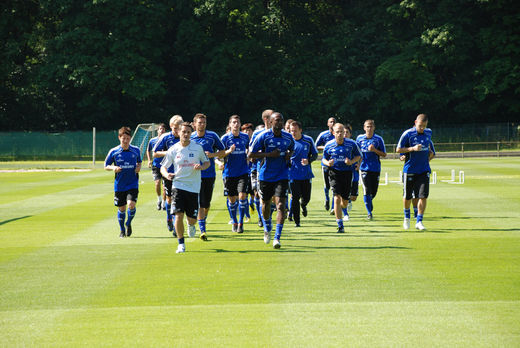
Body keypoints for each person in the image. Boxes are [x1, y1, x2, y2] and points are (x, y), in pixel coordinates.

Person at [160, 122, 210, 253]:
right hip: (178, 185)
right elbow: (163, 167)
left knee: (192, 220)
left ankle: (191, 226)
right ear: (179, 133)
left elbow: (207, 162)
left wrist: (201, 166)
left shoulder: (197, 148)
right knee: (178, 215)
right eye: (183, 132)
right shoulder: (173, 149)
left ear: (191, 133)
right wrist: (166, 175)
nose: (186, 134)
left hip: (193, 187)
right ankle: (181, 244)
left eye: (188, 132)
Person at [249, 112, 295, 249]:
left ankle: (277, 237)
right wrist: (269, 154)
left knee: (281, 205)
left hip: (282, 175)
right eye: (277, 120)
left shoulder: (288, 137)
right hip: (265, 175)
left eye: (281, 120)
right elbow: (250, 154)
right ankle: (267, 226)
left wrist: (288, 156)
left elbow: (292, 150)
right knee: (266, 204)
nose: (280, 123)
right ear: (270, 122)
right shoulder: (263, 136)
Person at [396, 113, 435, 231]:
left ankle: (419, 221)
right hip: (410, 170)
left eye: (424, 126)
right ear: (415, 123)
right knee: (407, 196)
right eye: (420, 126)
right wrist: (412, 149)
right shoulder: (408, 134)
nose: (422, 128)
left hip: (423, 171)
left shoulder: (428, 133)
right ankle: (406, 217)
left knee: (423, 196)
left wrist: (426, 160)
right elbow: (398, 149)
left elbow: (432, 152)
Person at [190, 113, 226, 240]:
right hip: (194, 174)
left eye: (204, 122)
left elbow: (223, 152)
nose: (202, 125)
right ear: (194, 124)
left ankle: (201, 220)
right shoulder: (190, 137)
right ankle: (202, 229)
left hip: (209, 174)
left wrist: (211, 155)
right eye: (199, 122)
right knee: (199, 203)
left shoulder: (212, 136)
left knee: (206, 204)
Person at [322, 123, 361, 233]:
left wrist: (351, 162)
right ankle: (340, 225)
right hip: (334, 173)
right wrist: (328, 163)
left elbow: (358, 155)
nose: (340, 134)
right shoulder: (329, 145)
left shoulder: (351, 144)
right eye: (337, 132)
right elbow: (323, 159)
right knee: (336, 197)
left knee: (344, 201)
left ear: (344, 132)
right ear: (333, 133)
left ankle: (343, 207)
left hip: (347, 173)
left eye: (341, 132)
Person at [104, 126, 142, 238]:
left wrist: (138, 167)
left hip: (132, 183)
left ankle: (128, 223)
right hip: (120, 185)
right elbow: (106, 166)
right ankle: (122, 230)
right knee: (122, 208)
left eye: (127, 138)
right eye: (123, 138)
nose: (125, 141)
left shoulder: (136, 150)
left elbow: (139, 162)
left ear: (130, 138)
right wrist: (113, 168)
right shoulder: (114, 151)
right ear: (119, 137)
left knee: (131, 204)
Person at [153, 115, 183, 236]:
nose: (177, 131)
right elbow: (155, 153)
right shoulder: (165, 138)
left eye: (179, 128)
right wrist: (169, 153)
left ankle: (177, 224)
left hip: (182, 174)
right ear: (171, 127)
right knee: (170, 198)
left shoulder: (186, 137)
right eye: (175, 128)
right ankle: (169, 218)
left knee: (179, 200)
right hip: (168, 173)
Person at [220, 115, 251, 233]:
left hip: (243, 172)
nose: (236, 124)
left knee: (242, 196)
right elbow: (219, 154)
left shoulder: (245, 137)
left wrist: (249, 155)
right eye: (234, 122)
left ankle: (241, 222)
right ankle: (234, 220)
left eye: (238, 122)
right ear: (230, 124)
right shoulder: (225, 139)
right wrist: (229, 151)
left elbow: (249, 149)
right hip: (229, 173)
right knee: (232, 199)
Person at [288, 121, 318, 227]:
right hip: (292, 175)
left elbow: (315, 154)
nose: (293, 133)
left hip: (306, 174)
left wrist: (308, 161)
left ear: (300, 130)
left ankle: (303, 205)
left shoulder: (308, 140)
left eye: (295, 131)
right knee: (295, 197)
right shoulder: (288, 141)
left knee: (306, 198)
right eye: (291, 131)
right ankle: (297, 221)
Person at [356, 119, 387, 220]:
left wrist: (374, 150)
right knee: (366, 190)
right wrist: (357, 164)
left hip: (375, 168)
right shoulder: (359, 139)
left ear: (374, 128)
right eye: (367, 127)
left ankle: (369, 202)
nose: (369, 129)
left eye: (371, 127)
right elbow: (356, 153)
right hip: (364, 168)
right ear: (364, 128)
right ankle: (369, 213)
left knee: (373, 192)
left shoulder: (378, 139)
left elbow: (384, 154)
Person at [250, 109, 274, 227]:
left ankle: (266, 215)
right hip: (258, 169)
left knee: (273, 198)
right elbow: (251, 152)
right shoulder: (257, 134)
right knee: (258, 195)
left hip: (275, 170)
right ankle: (261, 218)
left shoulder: (279, 133)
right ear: (266, 119)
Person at [315, 117, 337, 212]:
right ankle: (327, 198)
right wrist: (325, 147)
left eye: (334, 122)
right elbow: (315, 146)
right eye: (331, 122)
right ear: (328, 124)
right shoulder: (323, 135)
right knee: (327, 185)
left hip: (336, 164)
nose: (332, 123)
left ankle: (333, 207)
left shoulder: (339, 134)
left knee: (334, 186)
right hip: (325, 163)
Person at [146, 123, 167, 210]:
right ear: (157, 130)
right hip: (156, 165)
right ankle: (159, 199)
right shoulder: (153, 140)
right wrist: (149, 160)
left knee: (165, 186)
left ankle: (164, 203)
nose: (161, 130)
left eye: (163, 129)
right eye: (160, 129)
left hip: (166, 165)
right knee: (157, 183)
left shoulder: (167, 139)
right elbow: (148, 150)